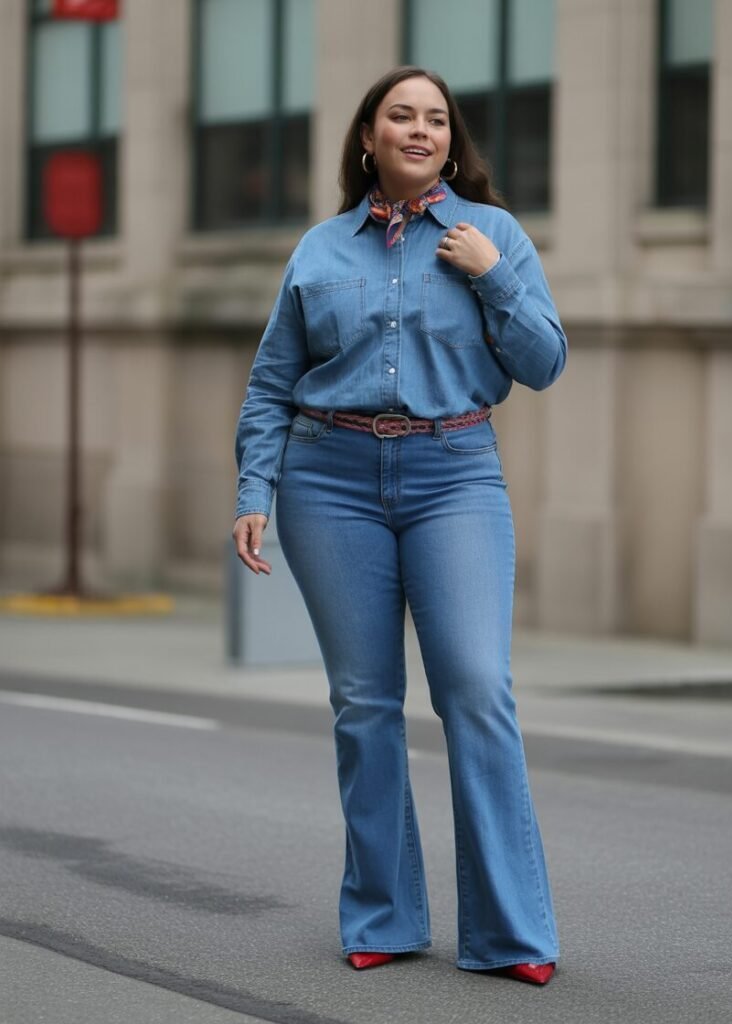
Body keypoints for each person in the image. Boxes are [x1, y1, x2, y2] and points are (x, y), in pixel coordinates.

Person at [232, 66, 567, 986]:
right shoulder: (319, 251)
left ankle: (509, 933)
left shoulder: (490, 235)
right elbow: (270, 382)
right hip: (327, 479)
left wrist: (492, 279)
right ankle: (383, 912)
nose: (417, 129)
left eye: (434, 119)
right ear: (368, 138)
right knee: (365, 705)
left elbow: (544, 363)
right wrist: (253, 488)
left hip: (453, 473)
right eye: (398, 116)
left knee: (473, 688)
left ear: (450, 144)